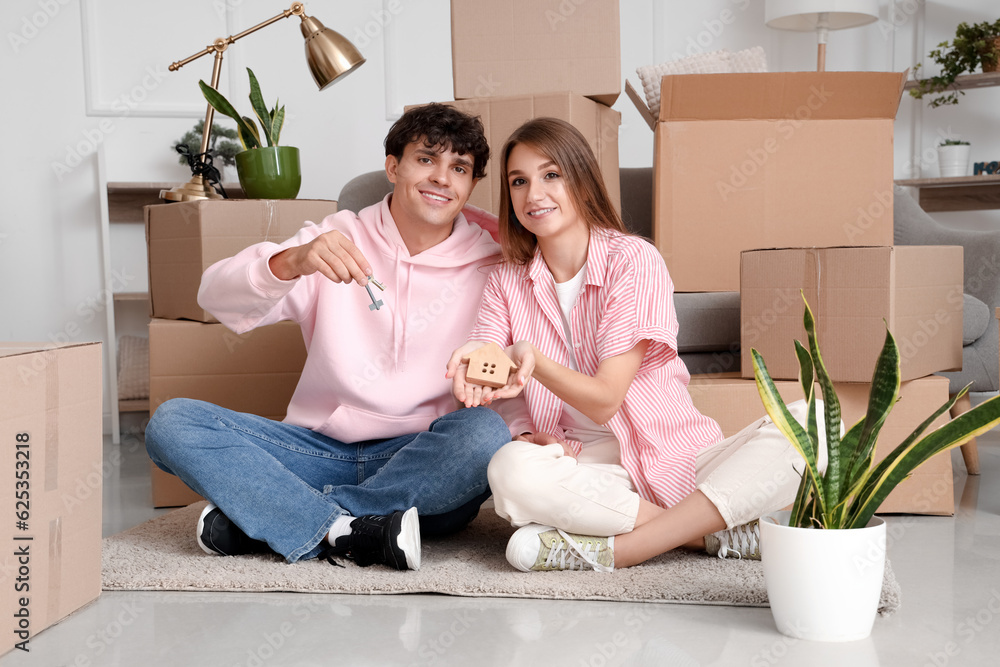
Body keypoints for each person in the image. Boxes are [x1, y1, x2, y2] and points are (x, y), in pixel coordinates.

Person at [446, 117, 827, 572]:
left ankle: (620, 549)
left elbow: (606, 399)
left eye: (551, 175)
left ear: (582, 181)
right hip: (586, 469)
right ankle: (703, 534)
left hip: (674, 457)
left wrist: (534, 360)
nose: (534, 195)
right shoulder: (507, 279)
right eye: (519, 182)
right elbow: (490, 355)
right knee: (509, 470)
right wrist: (494, 395)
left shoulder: (633, 260)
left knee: (817, 424)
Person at [146, 104, 512, 571]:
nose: (442, 178)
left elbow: (511, 369)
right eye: (426, 159)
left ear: (471, 184)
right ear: (392, 166)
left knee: (484, 435)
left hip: (422, 460)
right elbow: (213, 295)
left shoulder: (495, 265)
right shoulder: (334, 238)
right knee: (173, 422)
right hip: (315, 450)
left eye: (458, 168)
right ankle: (353, 530)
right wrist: (292, 261)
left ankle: (283, 517)